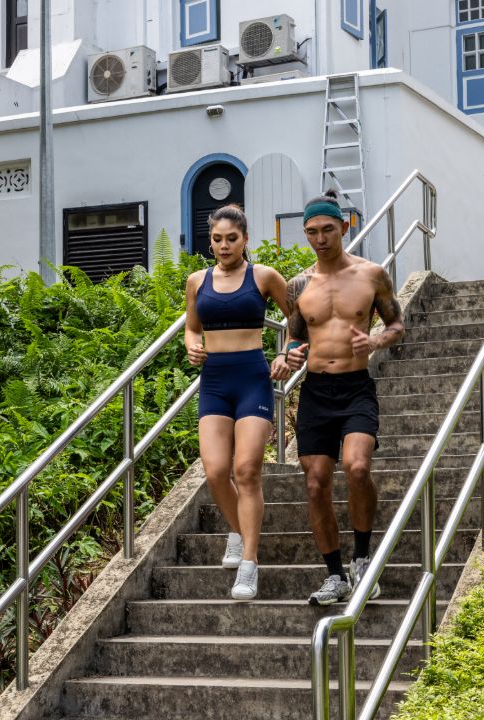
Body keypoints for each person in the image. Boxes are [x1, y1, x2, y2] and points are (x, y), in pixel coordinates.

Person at [271, 189, 405, 606]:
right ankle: (335, 576)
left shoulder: (371, 275)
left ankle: (362, 559)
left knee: (358, 467)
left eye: (327, 229)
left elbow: (397, 324)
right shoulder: (298, 285)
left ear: (343, 227)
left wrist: (377, 340)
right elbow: (295, 336)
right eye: (311, 231)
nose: (319, 238)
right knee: (315, 484)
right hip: (315, 392)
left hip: (355, 388)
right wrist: (286, 356)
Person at [185, 204, 292, 601]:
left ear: (245, 239)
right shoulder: (197, 281)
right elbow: (192, 327)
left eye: (232, 238)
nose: (224, 245)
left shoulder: (263, 276)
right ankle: (236, 529)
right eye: (217, 239)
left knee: (246, 470)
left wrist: (285, 352)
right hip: (214, 381)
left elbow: (296, 319)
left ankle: (249, 563)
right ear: (210, 241)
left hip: (252, 377)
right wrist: (193, 346)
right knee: (215, 471)